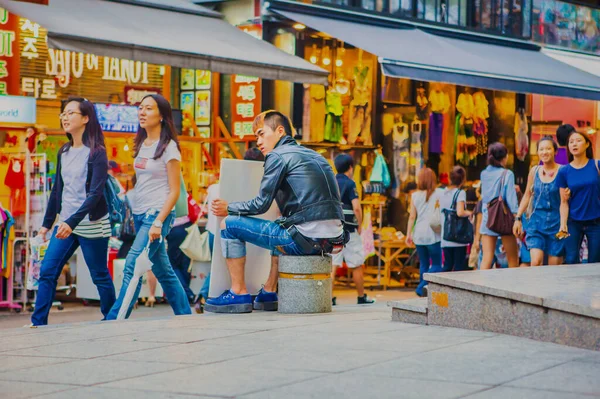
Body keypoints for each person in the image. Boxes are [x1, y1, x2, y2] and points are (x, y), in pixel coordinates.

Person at [207, 110, 345, 313]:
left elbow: (261, 204)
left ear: (280, 131)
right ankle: (269, 292)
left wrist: (229, 207)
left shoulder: (277, 156)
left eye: (261, 134)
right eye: (256, 136)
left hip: (303, 241)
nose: (258, 141)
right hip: (332, 241)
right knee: (281, 222)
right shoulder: (316, 156)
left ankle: (237, 293)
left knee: (229, 224)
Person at [31, 97, 115, 326]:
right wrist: (46, 225)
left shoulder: (96, 153)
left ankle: (112, 318)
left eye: (70, 113)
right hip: (65, 224)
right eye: (63, 114)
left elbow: (95, 194)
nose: (65, 117)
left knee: (99, 274)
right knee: (47, 271)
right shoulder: (64, 152)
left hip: (91, 222)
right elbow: (58, 191)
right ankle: (38, 322)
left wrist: (72, 222)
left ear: (86, 118)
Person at [106, 94, 191, 319]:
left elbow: (174, 191)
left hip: (157, 215)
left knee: (133, 265)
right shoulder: (142, 143)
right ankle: (185, 316)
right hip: (141, 214)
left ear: (162, 116)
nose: (142, 112)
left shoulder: (169, 148)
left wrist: (158, 222)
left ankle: (115, 318)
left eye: (149, 108)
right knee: (164, 272)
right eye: (140, 108)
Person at [199, 147, 264, 302]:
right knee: (225, 266)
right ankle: (206, 295)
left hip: (213, 231)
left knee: (218, 267)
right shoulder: (257, 185)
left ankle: (208, 296)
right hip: (231, 230)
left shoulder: (216, 187)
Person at [331, 153, 375, 305]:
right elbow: (356, 207)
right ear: (350, 168)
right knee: (356, 263)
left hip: (333, 228)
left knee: (333, 263)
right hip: (349, 229)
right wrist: (360, 225)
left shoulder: (331, 182)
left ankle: (328, 298)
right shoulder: (350, 184)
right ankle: (361, 297)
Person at [514, 136, 564, 266]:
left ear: (555, 151)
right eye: (541, 149)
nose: (544, 152)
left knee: (554, 267)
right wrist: (518, 218)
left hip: (557, 224)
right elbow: (527, 195)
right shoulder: (534, 171)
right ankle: (534, 287)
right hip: (536, 223)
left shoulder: (563, 171)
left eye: (548, 148)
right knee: (535, 262)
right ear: (537, 152)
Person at [557, 130, 600, 264]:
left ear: (587, 144)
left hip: (596, 222)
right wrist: (563, 224)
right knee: (571, 259)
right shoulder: (564, 171)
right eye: (571, 142)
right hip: (573, 221)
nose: (574, 144)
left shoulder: (597, 165)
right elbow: (563, 202)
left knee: (595, 261)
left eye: (578, 140)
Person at [479, 143, 519, 269]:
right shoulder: (508, 174)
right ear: (505, 157)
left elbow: (484, 197)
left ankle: (480, 288)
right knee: (513, 258)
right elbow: (511, 199)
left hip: (488, 217)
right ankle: (513, 287)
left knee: (487, 257)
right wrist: (517, 217)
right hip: (504, 217)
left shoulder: (484, 173)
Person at [405, 168, 442, 297]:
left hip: (419, 234)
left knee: (424, 263)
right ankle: (422, 287)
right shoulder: (439, 193)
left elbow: (412, 217)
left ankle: (423, 287)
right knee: (437, 264)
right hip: (433, 233)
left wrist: (408, 234)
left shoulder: (415, 195)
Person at [439, 166, 472, 272]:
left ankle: (442, 288)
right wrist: (471, 213)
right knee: (459, 267)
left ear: (449, 178)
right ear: (463, 179)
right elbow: (460, 212)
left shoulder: (442, 192)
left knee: (447, 265)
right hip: (458, 237)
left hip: (446, 235)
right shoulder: (460, 193)